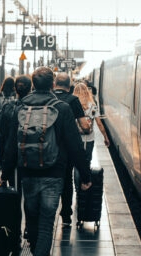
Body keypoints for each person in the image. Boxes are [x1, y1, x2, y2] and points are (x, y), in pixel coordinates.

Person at [0, 67, 92, 256]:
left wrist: (6, 174)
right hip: (54, 175)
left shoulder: (19, 107)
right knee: (45, 227)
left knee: (31, 222)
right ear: (52, 85)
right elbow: (73, 144)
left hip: (27, 175)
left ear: (32, 84)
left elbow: (11, 145)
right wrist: (86, 175)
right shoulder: (61, 108)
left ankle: (37, 254)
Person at [53, 72, 91, 226]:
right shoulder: (73, 100)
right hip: (65, 151)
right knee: (66, 183)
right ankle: (66, 215)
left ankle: (31, 226)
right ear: (69, 86)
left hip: (45, 148)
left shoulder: (48, 98)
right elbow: (84, 126)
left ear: (54, 85)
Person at [0, 75, 32, 190]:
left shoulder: (8, 108)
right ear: (30, 88)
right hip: (33, 157)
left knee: (15, 189)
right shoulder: (36, 108)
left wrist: (1, 159)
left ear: (15, 89)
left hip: (12, 157)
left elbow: (1, 135)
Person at [73, 82, 110, 164]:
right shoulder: (92, 105)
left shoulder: (73, 104)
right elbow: (99, 124)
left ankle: (77, 176)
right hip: (89, 139)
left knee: (76, 162)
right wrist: (105, 137)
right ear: (87, 91)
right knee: (87, 161)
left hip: (76, 139)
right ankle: (86, 175)